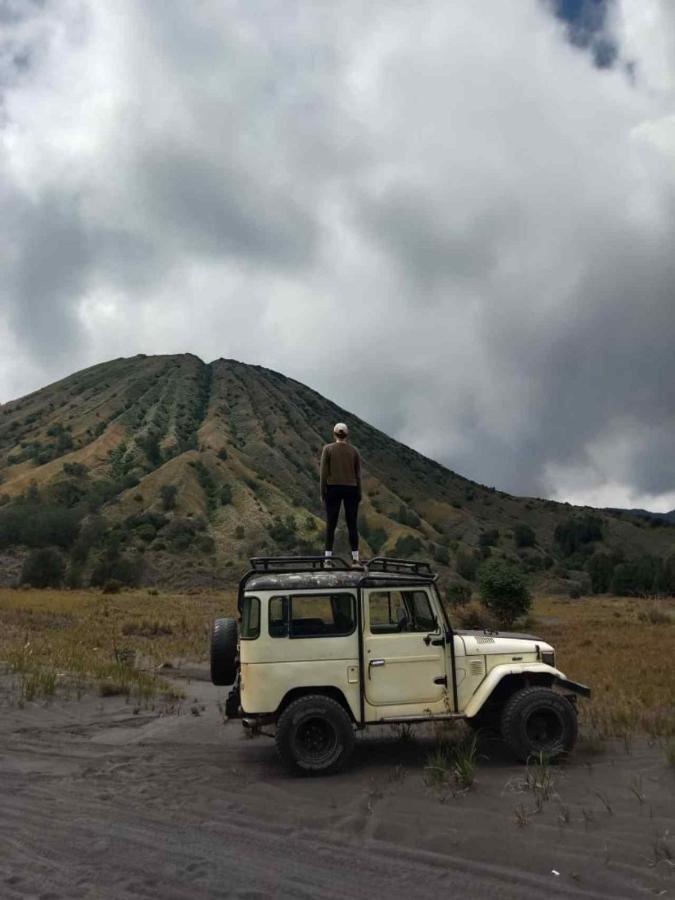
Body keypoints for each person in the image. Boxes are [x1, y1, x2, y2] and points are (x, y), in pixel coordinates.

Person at [320, 422, 362, 565]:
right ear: (347, 435)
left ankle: (327, 559)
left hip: (333, 488)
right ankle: (356, 559)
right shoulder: (354, 451)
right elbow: (358, 474)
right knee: (352, 524)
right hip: (351, 488)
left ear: (334, 434)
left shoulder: (328, 449)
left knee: (331, 524)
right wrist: (359, 492)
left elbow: (323, 473)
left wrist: (323, 491)